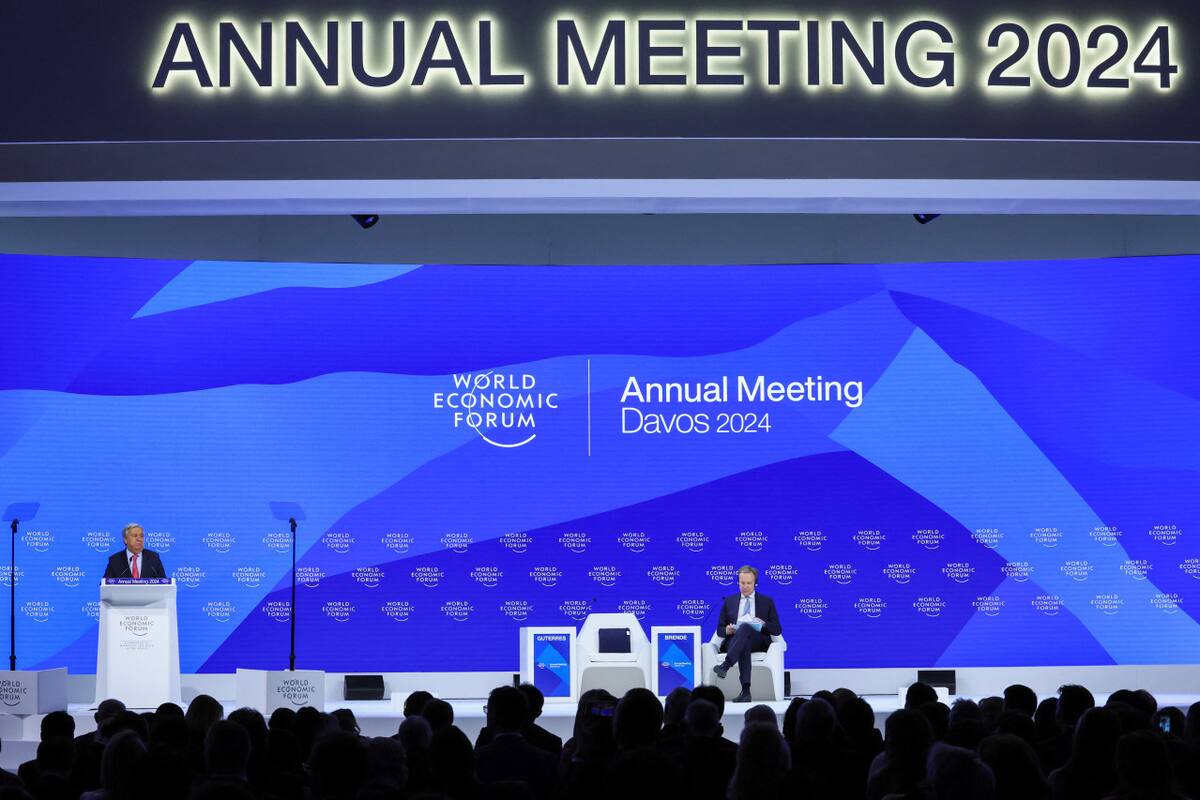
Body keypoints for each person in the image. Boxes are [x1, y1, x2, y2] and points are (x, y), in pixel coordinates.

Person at [712, 565, 782, 702]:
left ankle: (726, 666)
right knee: (744, 639)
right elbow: (720, 629)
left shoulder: (767, 601)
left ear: (755, 583)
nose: (745, 586)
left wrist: (763, 624)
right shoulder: (729, 601)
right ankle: (745, 691)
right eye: (742, 583)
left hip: (759, 640)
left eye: (749, 583)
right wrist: (727, 630)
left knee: (745, 628)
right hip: (734, 640)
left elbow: (777, 629)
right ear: (738, 582)